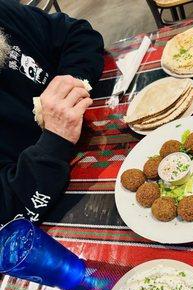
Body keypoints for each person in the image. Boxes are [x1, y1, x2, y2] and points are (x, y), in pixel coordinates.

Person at [0, 0, 104, 225]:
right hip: (50, 210)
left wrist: (71, 87)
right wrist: (54, 142)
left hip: (94, 133)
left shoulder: (3, 13)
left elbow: (78, 34)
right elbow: (9, 212)